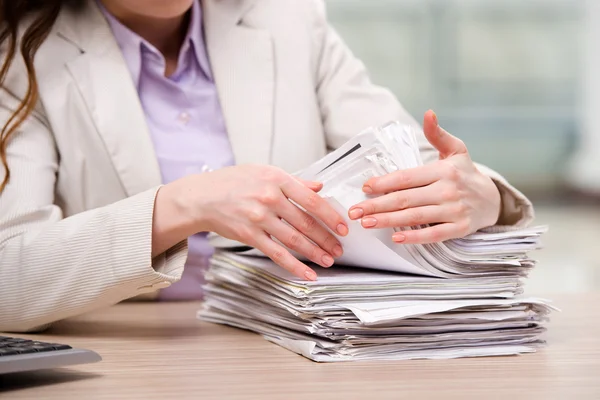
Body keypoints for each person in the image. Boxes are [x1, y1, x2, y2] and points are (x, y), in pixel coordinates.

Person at [0, 0, 533, 333]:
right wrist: (184, 204)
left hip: (299, 339)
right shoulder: (21, 54)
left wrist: (480, 195)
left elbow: (411, 167)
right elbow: (9, 280)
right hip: (132, 357)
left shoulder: (288, 16)